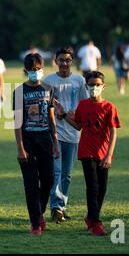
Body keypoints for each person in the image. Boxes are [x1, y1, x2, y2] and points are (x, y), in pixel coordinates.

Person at [54, 71, 120, 236]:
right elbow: (78, 125)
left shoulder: (109, 107)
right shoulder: (83, 105)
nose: (94, 87)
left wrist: (109, 155)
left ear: (103, 87)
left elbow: (113, 132)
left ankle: (91, 217)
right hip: (86, 151)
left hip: (103, 153)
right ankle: (95, 222)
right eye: (91, 85)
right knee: (93, 186)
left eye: (98, 85)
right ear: (86, 86)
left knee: (102, 188)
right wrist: (62, 114)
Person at [13, 53, 60, 235]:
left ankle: (39, 211)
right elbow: (17, 122)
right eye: (32, 70)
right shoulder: (19, 92)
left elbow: (51, 117)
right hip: (28, 142)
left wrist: (55, 142)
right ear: (25, 71)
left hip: (45, 141)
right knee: (31, 184)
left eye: (38, 69)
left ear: (43, 68)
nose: (36, 72)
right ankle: (35, 223)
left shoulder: (49, 89)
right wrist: (20, 148)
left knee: (48, 180)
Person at [44, 46, 89, 223]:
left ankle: (62, 206)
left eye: (68, 60)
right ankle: (55, 207)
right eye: (61, 60)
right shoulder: (49, 81)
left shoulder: (79, 80)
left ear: (72, 61)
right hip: (54, 133)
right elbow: (44, 107)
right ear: (56, 61)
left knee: (67, 174)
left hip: (73, 132)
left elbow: (85, 105)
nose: (64, 63)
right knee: (56, 172)